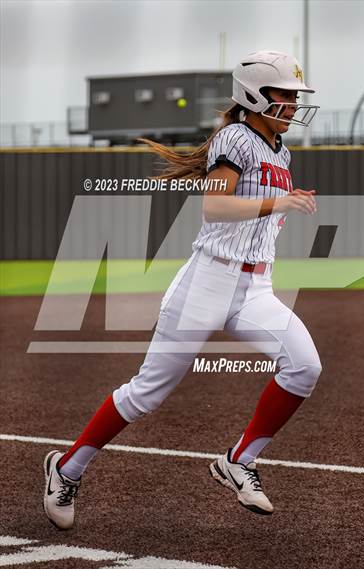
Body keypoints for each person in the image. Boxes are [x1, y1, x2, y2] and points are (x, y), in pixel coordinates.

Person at [43, 50, 322, 529]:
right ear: (255, 95)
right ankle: (66, 469)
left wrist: (277, 206)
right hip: (207, 281)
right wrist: (278, 202)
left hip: (255, 285)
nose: (293, 103)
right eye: (284, 94)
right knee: (147, 393)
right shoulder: (237, 137)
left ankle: (239, 459)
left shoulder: (280, 149)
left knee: (304, 367)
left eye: (296, 95)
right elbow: (214, 209)